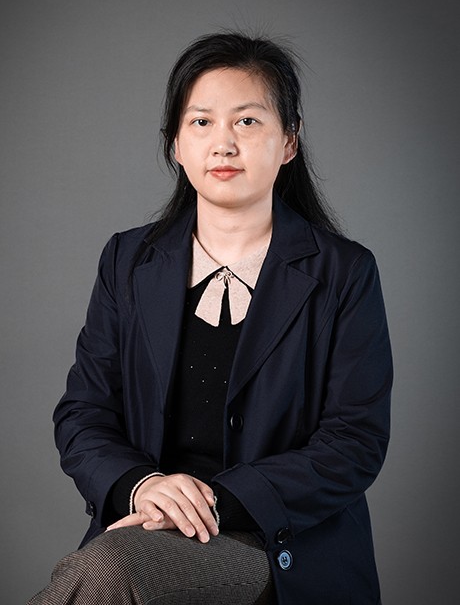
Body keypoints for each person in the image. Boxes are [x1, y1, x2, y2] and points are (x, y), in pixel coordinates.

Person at [28, 32, 392, 605]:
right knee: (114, 565)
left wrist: (213, 503)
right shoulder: (127, 260)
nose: (223, 143)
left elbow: (354, 443)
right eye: (201, 122)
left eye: (247, 121)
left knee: (110, 569)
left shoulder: (344, 272)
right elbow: (83, 414)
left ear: (289, 142)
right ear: (176, 143)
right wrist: (144, 487)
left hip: (275, 542)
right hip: (146, 521)